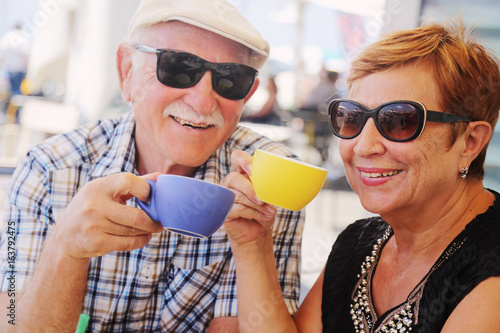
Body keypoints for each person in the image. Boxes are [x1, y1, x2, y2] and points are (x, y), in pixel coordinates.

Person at [0, 0, 304, 332]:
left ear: (248, 95)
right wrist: (65, 248)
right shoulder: (47, 168)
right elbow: (11, 318)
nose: (202, 101)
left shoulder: (268, 182)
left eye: (231, 79)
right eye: (177, 68)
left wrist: (252, 244)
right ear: (127, 72)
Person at [222, 18, 500, 332]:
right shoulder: (360, 243)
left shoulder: (491, 278)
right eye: (351, 117)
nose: (363, 146)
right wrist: (252, 241)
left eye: (398, 120)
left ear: (470, 142)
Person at [0, 24, 29, 97]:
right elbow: (24, 55)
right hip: (20, 72)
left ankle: (12, 107)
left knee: (11, 94)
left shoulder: (5, 38)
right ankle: (17, 108)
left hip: (9, 71)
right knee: (19, 95)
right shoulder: (21, 37)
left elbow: (1, 58)